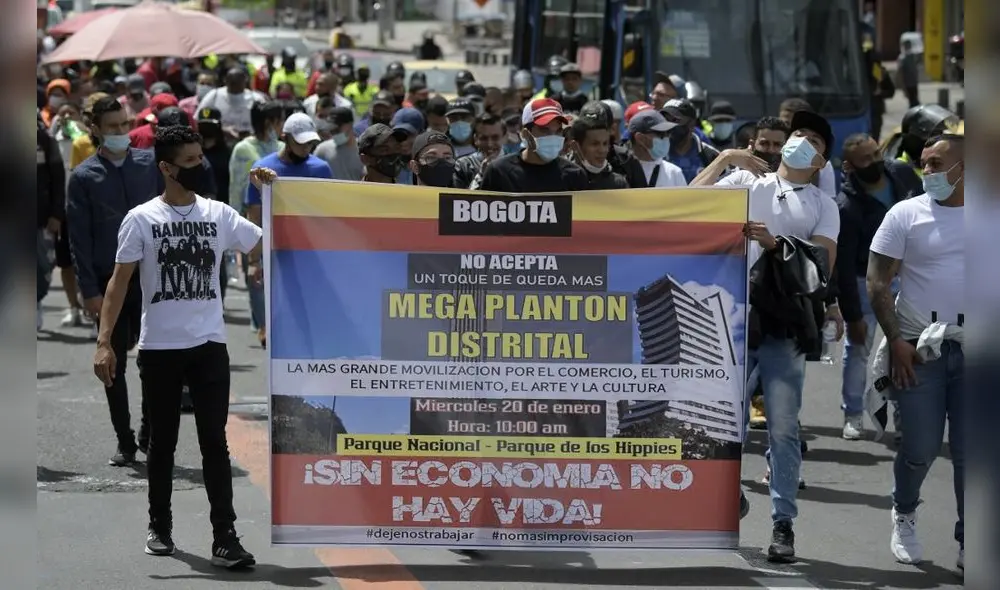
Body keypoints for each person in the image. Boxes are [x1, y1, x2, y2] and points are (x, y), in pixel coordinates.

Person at [92, 124, 268, 568]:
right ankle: (160, 525)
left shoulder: (219, 214)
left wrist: (271, 198)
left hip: (209, 345)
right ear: (167, 168)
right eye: (190, 161)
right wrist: (104, 342)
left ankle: (225, 537)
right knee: (164, 444)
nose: (200, 166)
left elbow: (266, 243)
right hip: (160, 349)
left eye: (200, 157)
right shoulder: (142, 219)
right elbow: (119, 282)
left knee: (214, 442)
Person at [697, 110, 842, 563]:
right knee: (723, 423)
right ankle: (727, 497)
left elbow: (822, 269)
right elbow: (685, 203)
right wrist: (724, 158)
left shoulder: (823, 204)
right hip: (732, 319)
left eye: (814, 140)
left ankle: (783, 523)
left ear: (821, 162)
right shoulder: (746, 183)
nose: (801, 140)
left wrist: (777, 245)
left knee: (781, 428)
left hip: (784, 326)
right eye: (798, 133)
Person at [866, 134, 964, 569]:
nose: (927, 171)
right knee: (921, 447)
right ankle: (904, 511)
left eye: (936, 163)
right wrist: (898, 342)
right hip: (920, 350)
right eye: (923, 163)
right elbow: (878, 282)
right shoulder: (905, 214)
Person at [67, 96, 158, 465]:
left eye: (125, 124)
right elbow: (78, 239)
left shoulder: (150, 164)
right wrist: (89, 291)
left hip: (153, 279)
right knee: (112, 364)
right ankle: (124, 440)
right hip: (110, 283)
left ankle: (149, 432)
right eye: (113, 127)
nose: (122, 132)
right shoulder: (84, 177)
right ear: (96, 130)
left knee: (155, 361)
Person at [835, 133, 921, 440]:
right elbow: (843, 265)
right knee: (859, 350)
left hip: (909, 275)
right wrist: (853, 314)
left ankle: (903, 412)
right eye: (865, 160)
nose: (875, 163)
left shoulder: (901, 173)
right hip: (865, 282)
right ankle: (853, 414)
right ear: (849, 166)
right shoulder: (846, 207)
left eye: (876, 154)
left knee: (907, 346)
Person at [244, 114, 332, 347]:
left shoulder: (321, 169)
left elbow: (328, 215)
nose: (306, 148)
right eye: (300, 142)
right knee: (280, 312)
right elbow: (254, 215)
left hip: (311, 253)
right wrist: (254, 261)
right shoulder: (262, 169)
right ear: (285, 137)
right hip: (276, 252)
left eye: (310, 143)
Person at [480, 98, 588, 193]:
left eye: (558, 131)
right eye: (544, 130)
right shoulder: (499, 172)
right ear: (525, 133)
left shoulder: (575, 175)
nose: (553, 137)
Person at [38, 112, 66, 330]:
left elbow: (58, 179)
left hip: (41, 218)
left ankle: (36, 300)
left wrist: (57, 214)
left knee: (42, 265)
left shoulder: (45, 142)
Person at [228, 101, 284, 212]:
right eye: (281, 120)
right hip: (251, 212)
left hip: (278, 211)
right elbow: (236, 188)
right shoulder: (243, 149)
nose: (283, 124)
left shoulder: (283, 148)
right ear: (268, 123)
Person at [778, 98, 836, 197]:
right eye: (785, 123)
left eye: (814, 141)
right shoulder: (766, 151)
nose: (802, 139)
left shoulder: (822, 166)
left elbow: (828, 199)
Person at [197, 68, 266, 143]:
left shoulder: (256, 99)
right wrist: (222, 130)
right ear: (225, 81)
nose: (236, 86)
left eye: (239, 82)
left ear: (245, 81)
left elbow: (267, 123)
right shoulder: (214, 95)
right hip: (221, 144)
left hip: (250, 143)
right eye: (233, 83)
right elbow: (200, 120)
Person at [661, 98, 720, 182]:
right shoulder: (657, 154)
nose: (669, 126)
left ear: (691, 124)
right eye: (666, 120)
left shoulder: (710, 156)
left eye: (675, 120)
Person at [627, 110, 686, 188]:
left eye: (668, 133)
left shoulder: (674, 173)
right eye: (661, 134)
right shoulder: (621, 171)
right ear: (640, 138)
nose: (666, 138)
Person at [569, 112, 628, 190]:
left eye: (605, 143)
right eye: (595, 144)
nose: (602, 150)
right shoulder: (563, 181)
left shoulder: (618, 184)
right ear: (575, 146)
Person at [453, 112, 504, 189]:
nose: (489, 144)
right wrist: (481, 176)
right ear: (475, 139)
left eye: (495, 138)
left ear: (504, 137)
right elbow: (458, 199)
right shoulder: (463, 166)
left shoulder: (516, 164)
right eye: (484, 138)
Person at [315, 107, 364, 181]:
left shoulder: (364, 152)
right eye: (332, 130)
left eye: (337, 130)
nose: (334, 134)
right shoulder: (322, 150)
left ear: (350, 124)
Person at [390, 107, 426, 184]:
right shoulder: (385, 167)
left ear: (421, 133)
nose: (403, 142)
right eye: (399, 135)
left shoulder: (431, 165)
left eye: (409, 134)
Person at [898, 40, 921, 108]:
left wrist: (902, 85)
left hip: (909, 83)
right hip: (912, 82)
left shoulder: (903, 57)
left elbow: (900, 72)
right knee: (914, 100)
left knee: (912, 101)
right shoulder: (912, 57)